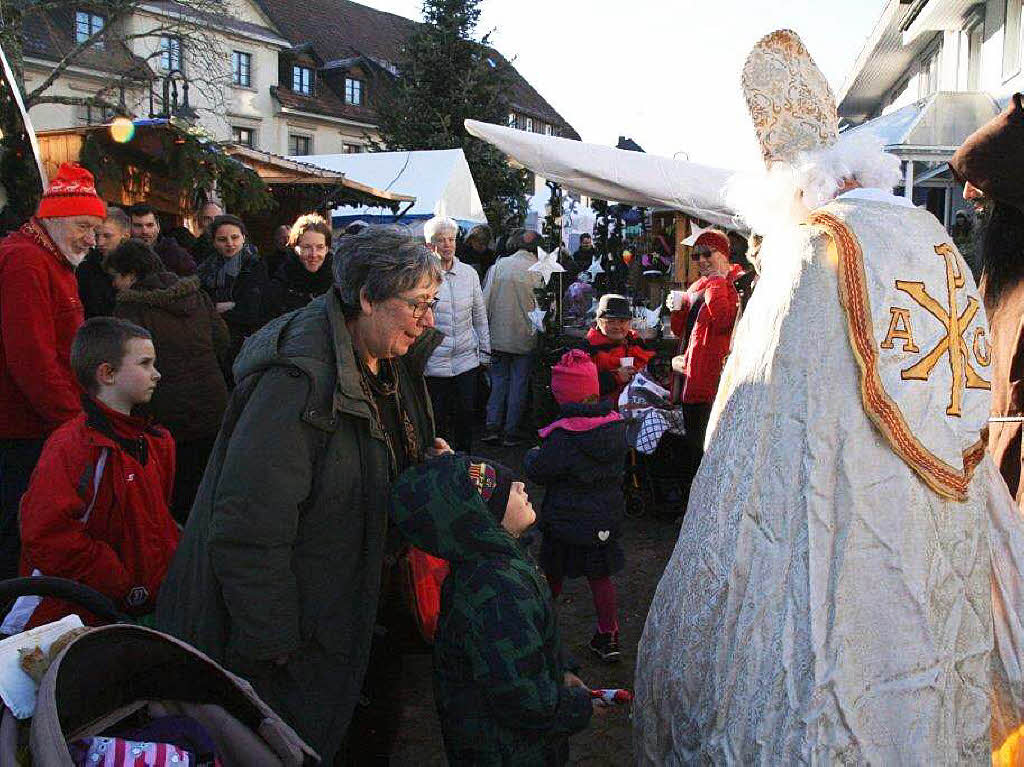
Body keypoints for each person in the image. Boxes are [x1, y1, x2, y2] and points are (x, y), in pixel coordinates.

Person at [634, 30, 1024, 763]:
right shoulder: (929, 231)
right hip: (937, 517)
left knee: (823, 661)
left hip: (836, 514)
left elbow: (760, 414)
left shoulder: (813, 247)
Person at [156, 227, 446, 764]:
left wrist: (424, 461)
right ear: (366, 297)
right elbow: (248, 528)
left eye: (432, 302)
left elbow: (371, 454)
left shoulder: (390, 356)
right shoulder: (296, 382)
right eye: (418, 304)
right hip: (301, 629)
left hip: (356, 602)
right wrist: (273, 648)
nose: (429, 319)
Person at [389, 453, 596, 765]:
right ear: (482, 522)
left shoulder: (503, 558)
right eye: (507, 491)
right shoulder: (497, 592)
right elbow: (522, 698)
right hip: (506, 751)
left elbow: (530, 640)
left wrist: (562, 670)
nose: (522, 487)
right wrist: (579, 707)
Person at [1, 317, 177, 632]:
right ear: (107, 373)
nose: (156, 373)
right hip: (73, 616)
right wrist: (120, 582)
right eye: (145, 363)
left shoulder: (156, 441)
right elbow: (48, 534)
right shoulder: (74, 447)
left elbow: (158, 521)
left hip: (137, 606)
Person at [0, 162, 106, 581]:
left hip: (39, 424)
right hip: (23, 430)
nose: (91, 240)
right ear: (55, 219)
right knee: (17, 528)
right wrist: (74, 422)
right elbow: (32, 359)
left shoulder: (51, 259)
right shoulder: (25, 262)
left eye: (95, 230)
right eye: (84, 226)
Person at [107, 239, 229, 523]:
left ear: (131, 274)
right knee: (210, 489)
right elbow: (222, 340)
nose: (114, 285)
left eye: (116, 277)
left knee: (177, 497)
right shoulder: (196, 296)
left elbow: (128, 368)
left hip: (165, 414)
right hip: (212, 404)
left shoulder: (129, 311)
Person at [524, 350, 628, 663]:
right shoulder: (614, 428)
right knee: (601, 578)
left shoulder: (564, 436)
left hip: (565, 522)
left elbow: (541, 471)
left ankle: (539, 629)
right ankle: (608, 635)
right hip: (602, 521)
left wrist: (531, 456)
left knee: (552, 575)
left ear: (561, 395)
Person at [665, 228, 741, 492]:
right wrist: (677, 308)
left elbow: (723, 321)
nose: (702, 260)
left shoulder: (734, 282)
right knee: (693, 445)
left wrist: (718, 281)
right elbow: (681, 331)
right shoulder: (697, 285)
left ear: (724, 253)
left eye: (707, 253)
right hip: (690, 378)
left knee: (709, 448)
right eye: (697, 256)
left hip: (712, 383)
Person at [423, 215, 490, 453]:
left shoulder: (469, 274)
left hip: (466, 360)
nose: (448, 245)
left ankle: (465, 465)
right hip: (434, 362)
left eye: (451, 239)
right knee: (438, 421)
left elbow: (479, 316)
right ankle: (440, 469)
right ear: (430, 245)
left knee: (465, 418)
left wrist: (485, 352)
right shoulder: (423, 276)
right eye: (441, 240)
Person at [482, 228, 543, 446]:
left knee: (498, 382)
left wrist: (484, 333)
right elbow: (545, 308)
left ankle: (492, 426)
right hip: (526, 338)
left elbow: (484, 302)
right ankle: (511, 431)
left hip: (498, 336)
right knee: (519, 384)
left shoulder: (499, 266)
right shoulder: (540, 270)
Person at [195, 214, 268, 381]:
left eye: (235, 237)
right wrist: (226, 306)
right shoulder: (205, 269)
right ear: (214, 242)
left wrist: (217, 310)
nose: (230, 243)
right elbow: (201, 305)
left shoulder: (254, 265)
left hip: (246, 345)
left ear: (243, 237)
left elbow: (251, 312)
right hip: (214, 347)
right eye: (222, 239)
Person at [583, 293, 656, 401]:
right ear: (599, 321)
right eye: (611, 321)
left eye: (622, 321)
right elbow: (581, 388)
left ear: (629, 323)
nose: (617, 327)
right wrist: (615, 377)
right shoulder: (587, 349)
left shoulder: (635, 342)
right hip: (604, 412)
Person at [265, 213, 334, 318]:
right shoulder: (280, 283)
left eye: (320, 247)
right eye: (307, 247)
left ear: (327, 249)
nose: (313, 254)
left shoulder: (339, 283)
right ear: (296, 249)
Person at [77, 206, 127, 318]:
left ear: (125, 235)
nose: (100, 242)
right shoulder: (85, 268)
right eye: (97, 235)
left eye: (107, 236)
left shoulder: (139, 265)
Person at [130, 203, 196, 276]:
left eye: (150, 225)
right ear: (129, 228)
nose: (144, 231)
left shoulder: (175, 255)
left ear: (158, 227)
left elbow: (193, 280)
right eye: (138, 226)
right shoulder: (123, 255)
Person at [189, 200, 223, 266]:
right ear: (200, 221)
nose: (213, 223)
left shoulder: (236, 248)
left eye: (217, 218)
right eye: (207, 219)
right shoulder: (194, 251)